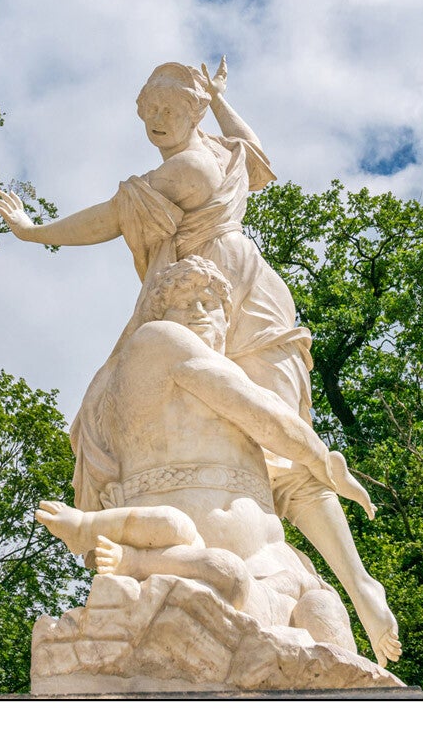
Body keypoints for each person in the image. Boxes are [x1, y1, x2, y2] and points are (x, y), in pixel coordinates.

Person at [0, 59, 398, 662]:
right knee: (265, 443)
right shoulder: (217, 149)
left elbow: (107, 219)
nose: (156, 122)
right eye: (148, 113)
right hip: (211, 288)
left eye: (170, 111)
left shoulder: (191, 166)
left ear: (194, 112)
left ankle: (360, 586)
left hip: (225, 293)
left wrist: (33, 231)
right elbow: (255, 155)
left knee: (279, 450)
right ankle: (345, 581)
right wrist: (223, 103)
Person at [34, 258, 401, 667]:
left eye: (210, 304)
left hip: (274, 574)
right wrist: (326, 464)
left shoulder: (225, 382)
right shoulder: (157, 339)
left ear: (228, 322)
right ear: (159, 315)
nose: (198, 312)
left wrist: (359, 585)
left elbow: (289, 473)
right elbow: (264, 413)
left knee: (328, 624)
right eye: (183, 303)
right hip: (189, 561)